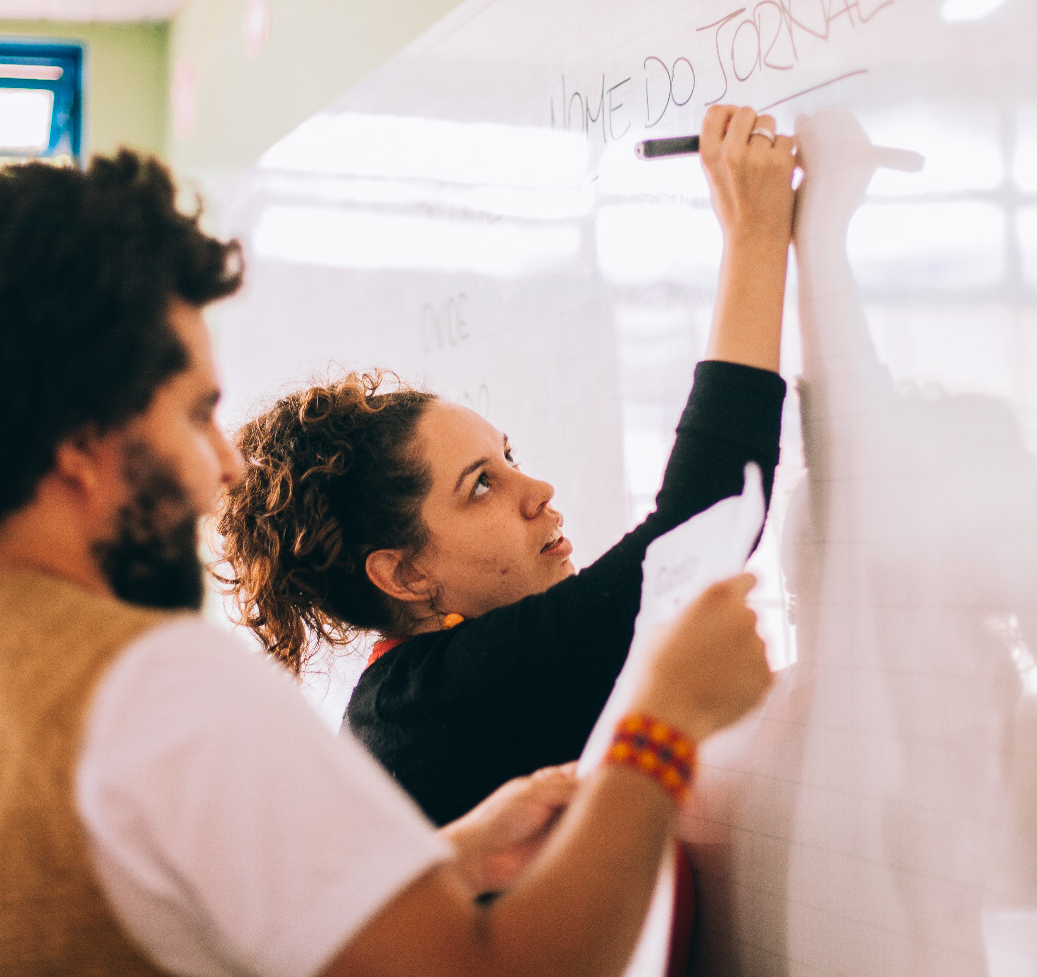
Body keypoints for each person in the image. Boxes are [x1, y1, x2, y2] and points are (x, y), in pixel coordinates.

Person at [0, 152, 774, 976]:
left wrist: (436, 861)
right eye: (196, 412)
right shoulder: (149, 690)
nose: (222, 466)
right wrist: (660, 728)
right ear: (85, 441)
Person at [218, 103, 798, 825]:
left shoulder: (406, 697)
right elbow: (699, 527)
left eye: (509, 458)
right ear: (405, 573)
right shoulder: (446, 698)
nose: (539, 491)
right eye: (482, 485)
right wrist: (757, 230)